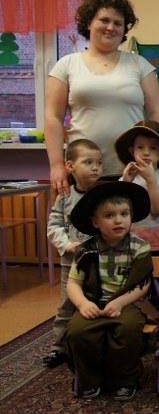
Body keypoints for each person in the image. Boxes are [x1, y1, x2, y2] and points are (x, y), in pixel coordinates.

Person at [45, 0, 159, 195]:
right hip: (82, 172)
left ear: (124, 29)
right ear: (89, 23)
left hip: (133, 170)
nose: (111, 27)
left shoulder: (140, 65)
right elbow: (53, 117)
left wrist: (157, 161)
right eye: (104, 20)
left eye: (118, 23)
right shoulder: (66, 65)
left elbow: (156, 114)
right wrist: (56, 165)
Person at [63, 181, 153, 400]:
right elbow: (73, 283)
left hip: (128, 302)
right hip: (94, 301)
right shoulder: (86, 250)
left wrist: (120, 302)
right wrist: (83, 304)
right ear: (95, 221)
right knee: (78, 331)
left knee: (128, 329)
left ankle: (125, 379)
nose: (118, 220)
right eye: (109, 215)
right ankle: (90, 379)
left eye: (124, 214)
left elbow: (143, 283)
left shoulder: (138, 247)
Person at [42, 139, 103, 369]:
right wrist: (66, 244)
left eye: (99, 163)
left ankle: (93, 343)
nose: (95, 168)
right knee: (67, 305)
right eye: (88, 162)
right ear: (70, 166)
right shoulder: (65, 196)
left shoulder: (103, 194)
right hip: (72, 263)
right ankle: (59, 347)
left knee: (96, 301)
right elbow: (54, 225)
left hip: (99, 263)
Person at [116, 120, 159, 302]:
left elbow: (157, 209)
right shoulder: (127, 178)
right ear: (132, 151)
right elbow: (117, 208)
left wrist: (151, 180)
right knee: (133, 286)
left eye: (153, 148)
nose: (146, 152)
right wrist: (125, 182)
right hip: (133, 244)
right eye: (140, 147)